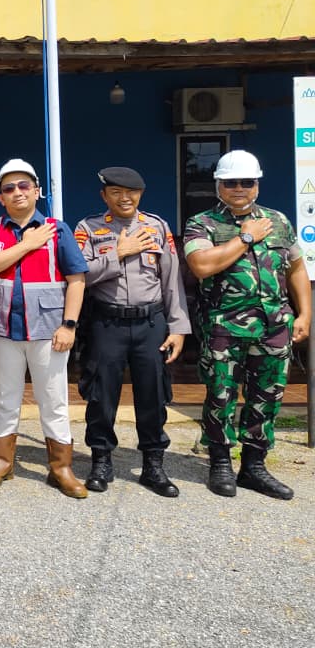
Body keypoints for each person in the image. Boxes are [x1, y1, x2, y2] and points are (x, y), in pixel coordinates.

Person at [183, 150, 310, 500]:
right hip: (224, 327)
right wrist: (246, 237)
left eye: (247, 181)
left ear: (257, 184)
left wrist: (304, 314)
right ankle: (220, 463)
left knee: (266, 397)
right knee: (220, 395)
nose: (239, 188)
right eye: (231, 182)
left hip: (274, 326)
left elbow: (296, 268)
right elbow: (201, 266)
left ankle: (254, 465)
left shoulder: (278, 220)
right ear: (218, 185)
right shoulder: (203, 223)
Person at [0, 158, 89, 499]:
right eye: (9, 188)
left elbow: (77, 280)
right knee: (4, 397)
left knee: (53, 400)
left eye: (24, 186)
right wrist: (27, 243)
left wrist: (69, 324)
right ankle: (1, 461)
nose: (17, 192)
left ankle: (61, 467)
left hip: (48, 330)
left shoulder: (58, 229)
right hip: (2, 329)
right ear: (0, 198)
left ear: (37, 191)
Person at [74, 166, 191, 497]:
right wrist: (118, 253)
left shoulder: (157, 227)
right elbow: (80, 275)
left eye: (131, 193)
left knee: (153, 394)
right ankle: (101, 461)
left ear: (140, 194)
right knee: (101, 395)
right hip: (106, 323)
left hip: (150, 324)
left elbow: (171, 280)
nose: (124, 198)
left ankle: (153, 464)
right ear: (104, 196)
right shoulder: (89, 228)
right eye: (116, 193)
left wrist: (179, 327)